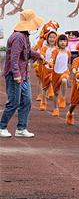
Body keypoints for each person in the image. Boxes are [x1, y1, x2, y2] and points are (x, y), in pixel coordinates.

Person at [0, 10, 45, 138]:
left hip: (23, 74)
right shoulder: (19, 37)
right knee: (14, 102)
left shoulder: (24, 36)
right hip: (16, 74)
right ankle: (2, 126)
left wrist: (39, 56)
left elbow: (28, 51)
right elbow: (14, 58)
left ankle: (21, 128)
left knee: (26, 100)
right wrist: (16, 75)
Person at [48, 34, 71, 116]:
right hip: (55, 73)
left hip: (64, 72)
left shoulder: (68, 52)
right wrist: (50, 62)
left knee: (64, 80)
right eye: (61, 41)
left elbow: (68, 62)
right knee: (56, 93)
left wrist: (68, 69)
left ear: (67, 42)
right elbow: (52, 58)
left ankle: (63, 97)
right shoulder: (55, 51)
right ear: (58, 42)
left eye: (64, 41)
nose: (63, 43)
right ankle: (55, 108)